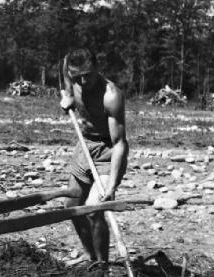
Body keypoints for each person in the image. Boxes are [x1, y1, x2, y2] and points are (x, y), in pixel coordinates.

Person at [59, 48, 129, 272]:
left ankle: (102, 266)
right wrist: (68, 94)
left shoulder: (111, 95)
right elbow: (64, 68)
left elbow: (119, 144)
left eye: (87, 74)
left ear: (97, 68)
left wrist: (111, 185)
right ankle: (92, 259)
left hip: (107, 151)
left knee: (94, 209)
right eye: (76, 75)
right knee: (71, 207)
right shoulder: (72, 75)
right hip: (84, 147)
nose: (82, 80)